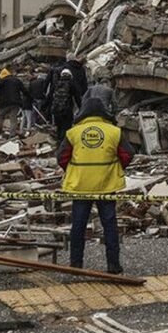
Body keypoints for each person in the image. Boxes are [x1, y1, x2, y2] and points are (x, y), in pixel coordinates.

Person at [58, 98, 133, 274]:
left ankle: (76, 264)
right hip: (106, 184)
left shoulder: (73, 133)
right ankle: (113, 265)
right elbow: (128, 154)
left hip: (80, 184)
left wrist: (74, 170)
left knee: (78, 225)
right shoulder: (114, 132)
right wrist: (115, 168)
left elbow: (61, 157)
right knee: (109, 225)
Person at [0, 67, 30, 137]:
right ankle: (12, 134)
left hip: (4, 104)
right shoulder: (17, 80)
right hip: (15, 103)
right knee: (13, 119)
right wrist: (29, 96)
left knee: (0, 117)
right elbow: (24, 90)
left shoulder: (3, 81)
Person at [49, 68, 80, 143]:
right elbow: (77, 97)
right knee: (66, 127)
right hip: (67, 109)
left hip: (56, 110)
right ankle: (64, 145)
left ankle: (59, 143)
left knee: (59, 127)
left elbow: (50, 96)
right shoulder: (72, 84)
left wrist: (45, 107)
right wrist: (81, 107)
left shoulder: (56, 84)